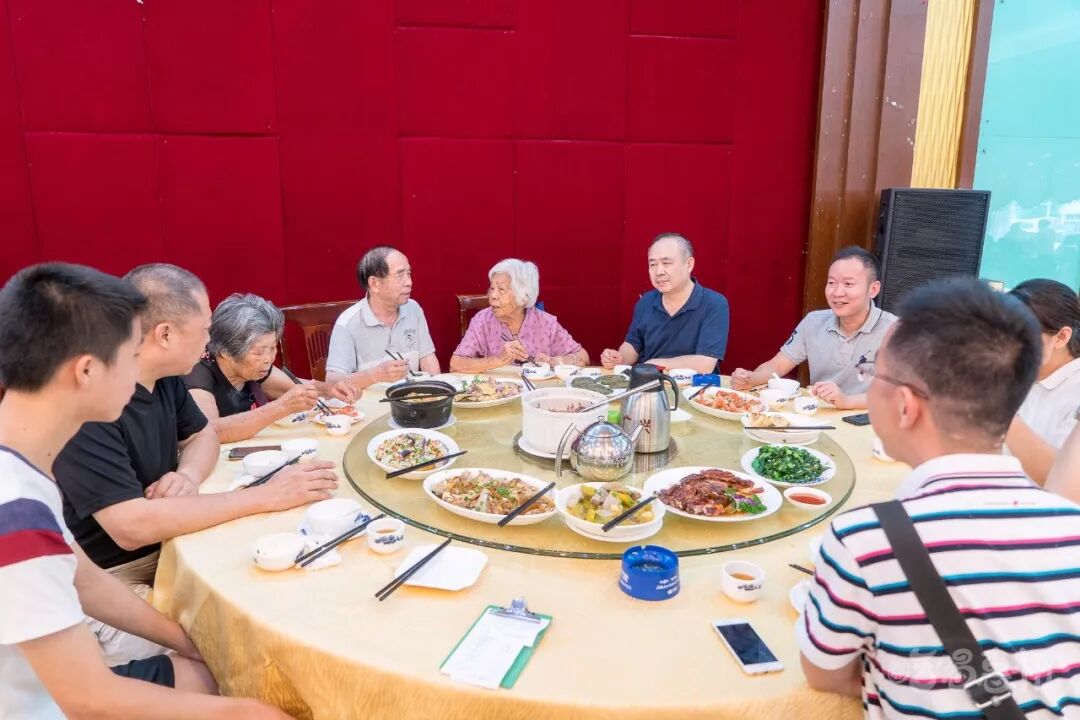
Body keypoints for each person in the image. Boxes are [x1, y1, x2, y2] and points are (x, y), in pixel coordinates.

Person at [0, 262, 289, 719]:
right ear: (87, 371)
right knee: (258, 688)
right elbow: (89, 701)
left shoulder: (22, 470)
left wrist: (187, 640)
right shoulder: (15, 512)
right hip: (42, 706)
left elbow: (84, 579)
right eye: (129, 353)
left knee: (229, 659)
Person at [798, 278, 1080, 717]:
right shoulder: (1070, 527)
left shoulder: (864, 541)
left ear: (906, 406)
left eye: (873, 375)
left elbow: (826, 677)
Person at [54, 263, 339, 665]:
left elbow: (203, 435)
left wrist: (187, 474)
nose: (210, 343)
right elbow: (130, 528)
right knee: (236, 652)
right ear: (165, 334)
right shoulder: (90, 399)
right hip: (110, 579)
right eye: (204, 330)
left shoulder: (164, 376)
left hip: (172, 544)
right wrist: (267, 496)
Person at [731, 246, 896, 409]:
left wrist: (847, 401)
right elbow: (778, 365)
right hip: (818, 414)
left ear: (873, 289)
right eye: (831, 283)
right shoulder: (814, 322)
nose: (837, 292)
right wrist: (751, 378)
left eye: (848, 284)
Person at [184, 293, 359, 443]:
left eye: (273, 347)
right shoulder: (197, 374)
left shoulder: (255, 368)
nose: (269, 359)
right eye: (258, 352)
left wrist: (329, 390)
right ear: (225, 352)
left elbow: (294, 388)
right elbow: (208, 433)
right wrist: (281, 407)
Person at [600, 233, 729, 374]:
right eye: (653, 264)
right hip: (649, 381)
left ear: (689, 264)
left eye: (666, 263)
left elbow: (705, 363)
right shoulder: (646, 301)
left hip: (695, 385)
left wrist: (655, 364)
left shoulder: (714, 303)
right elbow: (633, 345)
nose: (659, 272)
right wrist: (620, 358)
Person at [325, 246, 440, 386]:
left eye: (409, 274)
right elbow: (332, 382)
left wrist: (439, 390)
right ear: (374, 283)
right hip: (368, 399)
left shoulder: (413, 309)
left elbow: (428, 359)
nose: (409, 282)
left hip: (411, 397)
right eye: (400, 275)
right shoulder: (347, 323)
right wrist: (374, 376)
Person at [449, 259, 588, 372]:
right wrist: (499, 360)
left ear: (522, 295)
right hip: (498, 394)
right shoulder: (482, 320)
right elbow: (455, 364)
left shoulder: (546, 323)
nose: (492, 296)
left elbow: (583, 357)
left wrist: (555, 361)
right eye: (492, 288)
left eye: (501, 289)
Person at [1003, 279, 1080, 482]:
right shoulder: (1019, 375)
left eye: (1022, 336)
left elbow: (1064, 480)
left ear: (1061, 337)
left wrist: (1000, 412)